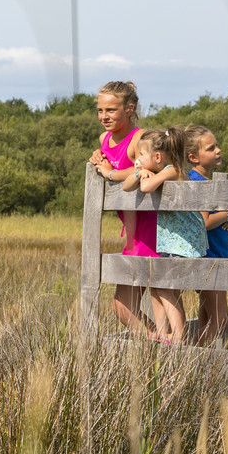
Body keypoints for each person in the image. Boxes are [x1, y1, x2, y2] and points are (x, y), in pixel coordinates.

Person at [87, 82, 162, 335]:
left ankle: (168, 343)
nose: (104, 116)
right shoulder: (104, 139)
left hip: (151, 226)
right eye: (100, 110)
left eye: (111, 110)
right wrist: (98, 156)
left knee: (160, 295)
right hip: (131, 230)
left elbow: (148, 168)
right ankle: (157, 342)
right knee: (122, 306)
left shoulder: (140, 138)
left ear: (129, 109)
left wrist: (111, 173)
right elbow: (106, 160)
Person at [130, 127, 206, 342]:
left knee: (165, 286)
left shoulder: (173, 170)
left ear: (157, 157)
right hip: (172, 241)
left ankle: (179, 335)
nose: (137, 159)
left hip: (185, 241)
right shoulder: (163, 171)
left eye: (141, 154)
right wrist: (139, 173)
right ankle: (164, 333)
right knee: (157, 285)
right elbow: (128, 186)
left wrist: (144, 175)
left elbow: (146, 188)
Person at [183, 126, 228, 346]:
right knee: (221, 320)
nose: (218, 150)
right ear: (193, 157)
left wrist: (226, 218)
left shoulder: (203, 181)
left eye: (217, 145)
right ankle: (190, 357)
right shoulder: (198, 183)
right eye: (211, 148)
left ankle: (199, 361)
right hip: (208, 259)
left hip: (213, 256)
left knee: (207, 318)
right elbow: (203, 222)